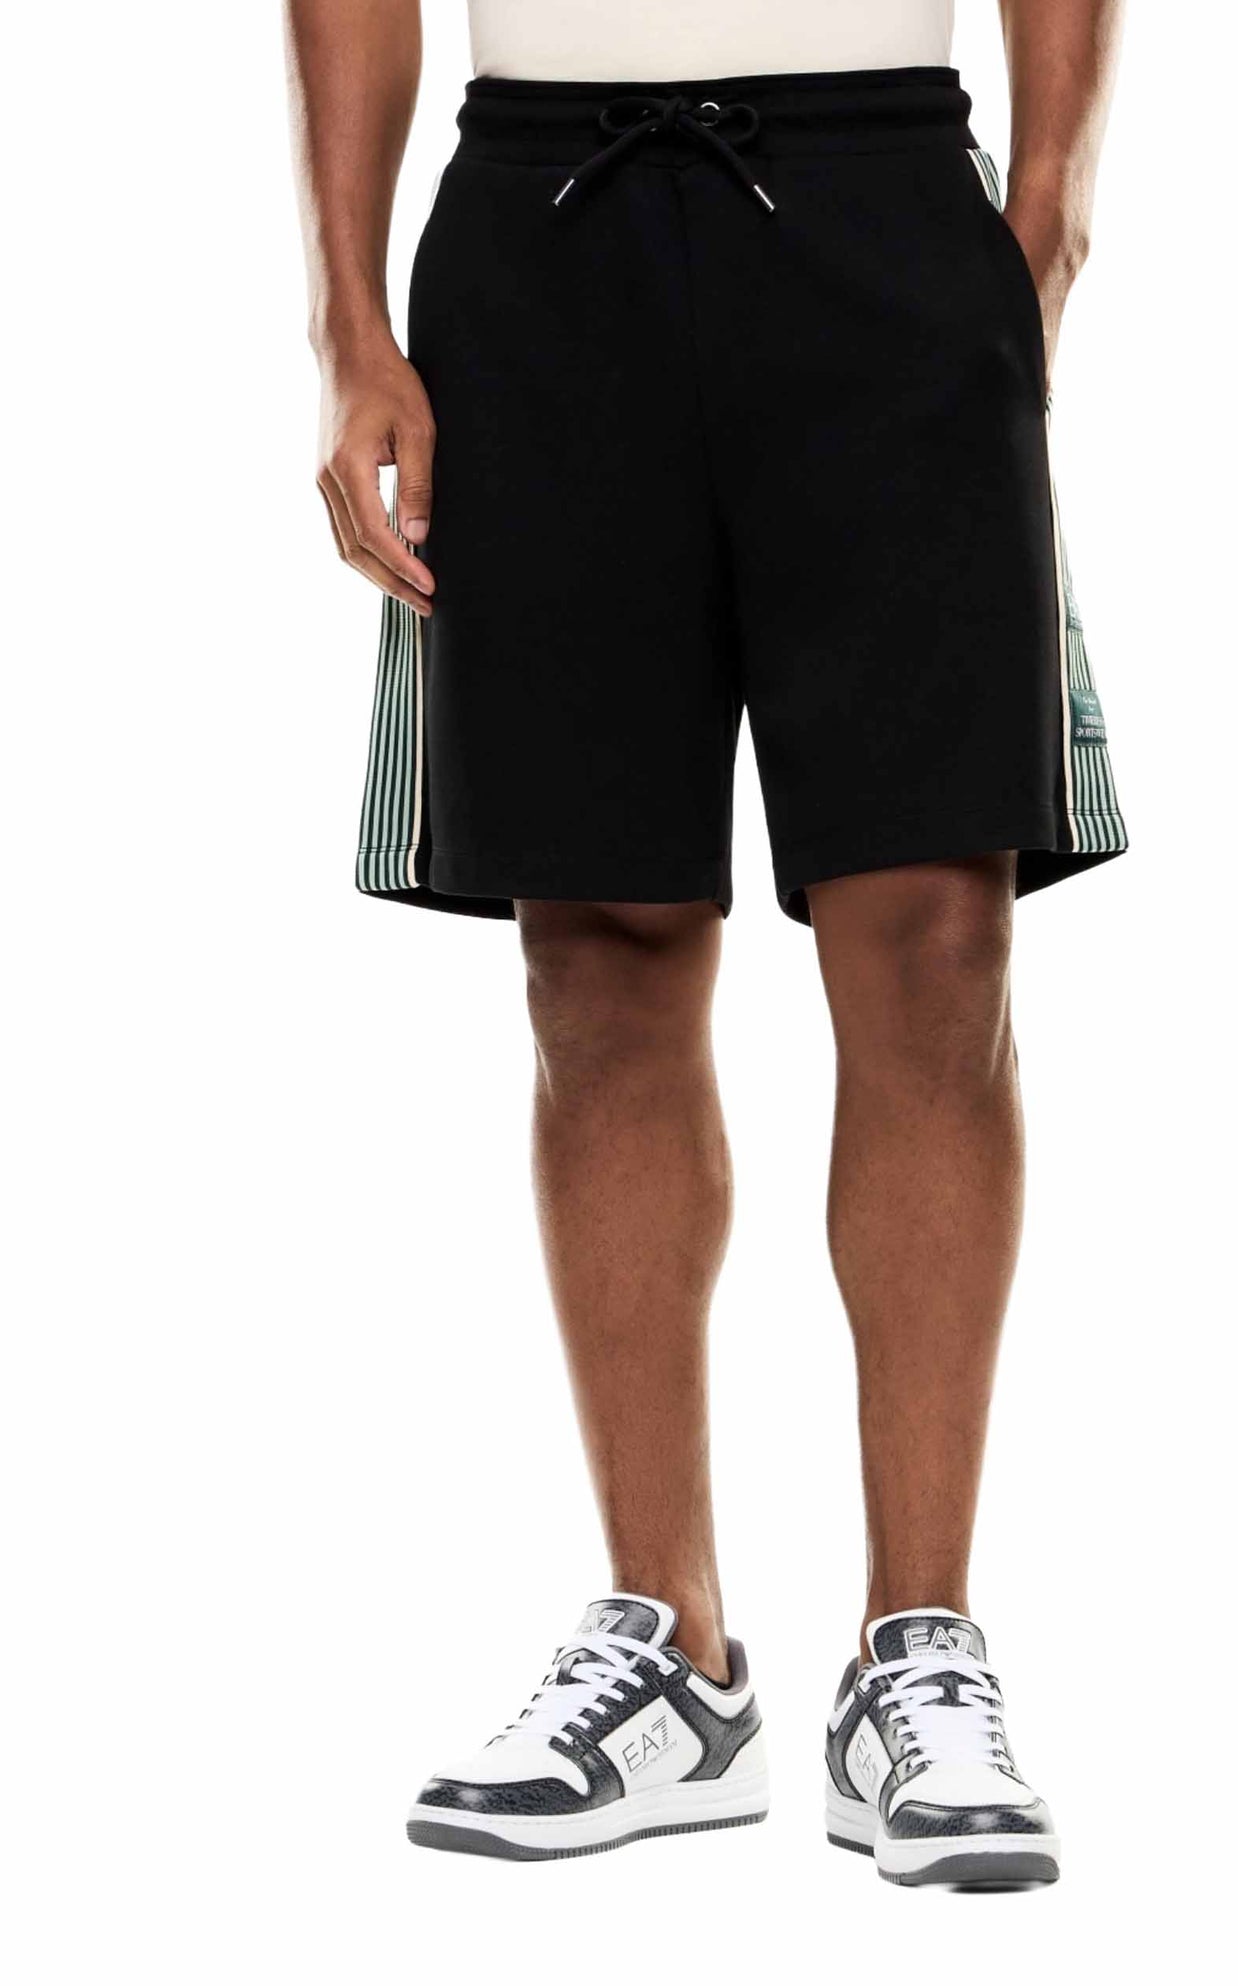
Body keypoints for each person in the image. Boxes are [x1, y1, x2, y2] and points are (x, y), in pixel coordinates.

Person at [286, 0, 1127, 1889]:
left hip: (883, 198)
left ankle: (915, 1649)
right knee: (596, 947)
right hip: (537, 230)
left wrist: (1051, 206)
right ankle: (671, 1654)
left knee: (931, 933)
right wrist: (347, 320)